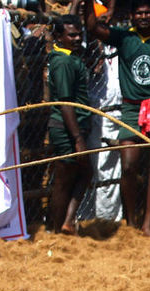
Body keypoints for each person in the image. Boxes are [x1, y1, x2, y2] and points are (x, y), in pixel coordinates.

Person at [84, 0, 150, 236]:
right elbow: (93, 28)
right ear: (132, 16)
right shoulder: (124, 37)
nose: (143, 16)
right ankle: (130, 221)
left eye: (147, 12)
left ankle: (148, 221)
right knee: (128, 164)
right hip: (132, 110)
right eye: (139, 13)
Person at [46, 14, 92, 234]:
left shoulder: (72, 58)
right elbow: (65, 103)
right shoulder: (63, 61)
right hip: (66, 129)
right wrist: (78, 139)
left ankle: (67, 221)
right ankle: (57, 228)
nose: (76, 38)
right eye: (71, 35)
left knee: (84, 173)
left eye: (79, 34)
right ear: (58, 37)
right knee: (64, 180)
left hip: (76, 125)